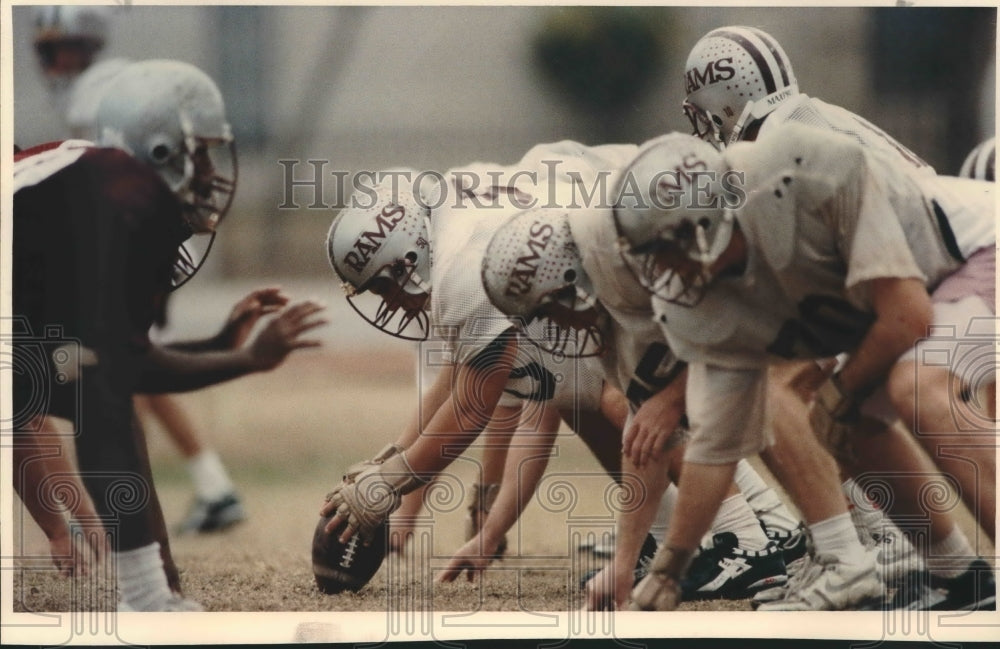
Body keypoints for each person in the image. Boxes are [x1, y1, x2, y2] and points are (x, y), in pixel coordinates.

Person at [322, 143, 794, 605]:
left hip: (658, 237)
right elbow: (522, 398)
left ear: (407, 258)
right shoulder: (457, 216)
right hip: (629, 223)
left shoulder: (461, 269)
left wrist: (390, 481)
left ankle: (752, 535)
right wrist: (396, 468)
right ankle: (707, 531)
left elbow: (473, 405)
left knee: (632, 398)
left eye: (382, 286)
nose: (389, 302)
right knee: (587, 392)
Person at [614, 124, 995, 611]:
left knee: (918, 388)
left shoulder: (800, 177)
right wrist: (671, 567)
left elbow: (908, 316)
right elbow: (715, 446)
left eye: (661, 251)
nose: (660, 273)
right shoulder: (716, 294)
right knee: (840, 421)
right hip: (932, 287)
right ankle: (963, 578)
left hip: (979, 247)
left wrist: (844, 387)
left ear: (700, 225)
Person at [14, 60, 326, 611]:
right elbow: (125, 372)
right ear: (158, 151)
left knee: (92, 390)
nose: (212, 169)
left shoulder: (89, 181)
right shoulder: (124, 202)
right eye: (199, 152)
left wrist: (222, 343)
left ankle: (154, 592)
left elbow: (109, 367)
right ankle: (148, 596)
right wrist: (249, 358)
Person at [479, 203, 808, 608]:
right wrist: (624, 563)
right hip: (772, 305)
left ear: (571, 284)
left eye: (549, 311)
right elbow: (647, 434)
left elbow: (740, 331)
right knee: (680, 413)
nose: (553, 328)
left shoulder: (637, 272)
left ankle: (849, 549)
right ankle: (784, 539)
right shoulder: (608, 305)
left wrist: (668, 400)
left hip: (809, 284)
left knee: (779, 393)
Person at [29, 5, 254, 537]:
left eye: (65, 46)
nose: (56, 58)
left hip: (133, 239)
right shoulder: (98, 86)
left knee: (115, 371)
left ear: (88, 45)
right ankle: (209, 487)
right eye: (51, 48)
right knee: (124, 374)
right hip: (125, 239)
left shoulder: (104, 91)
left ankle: (129, 505)